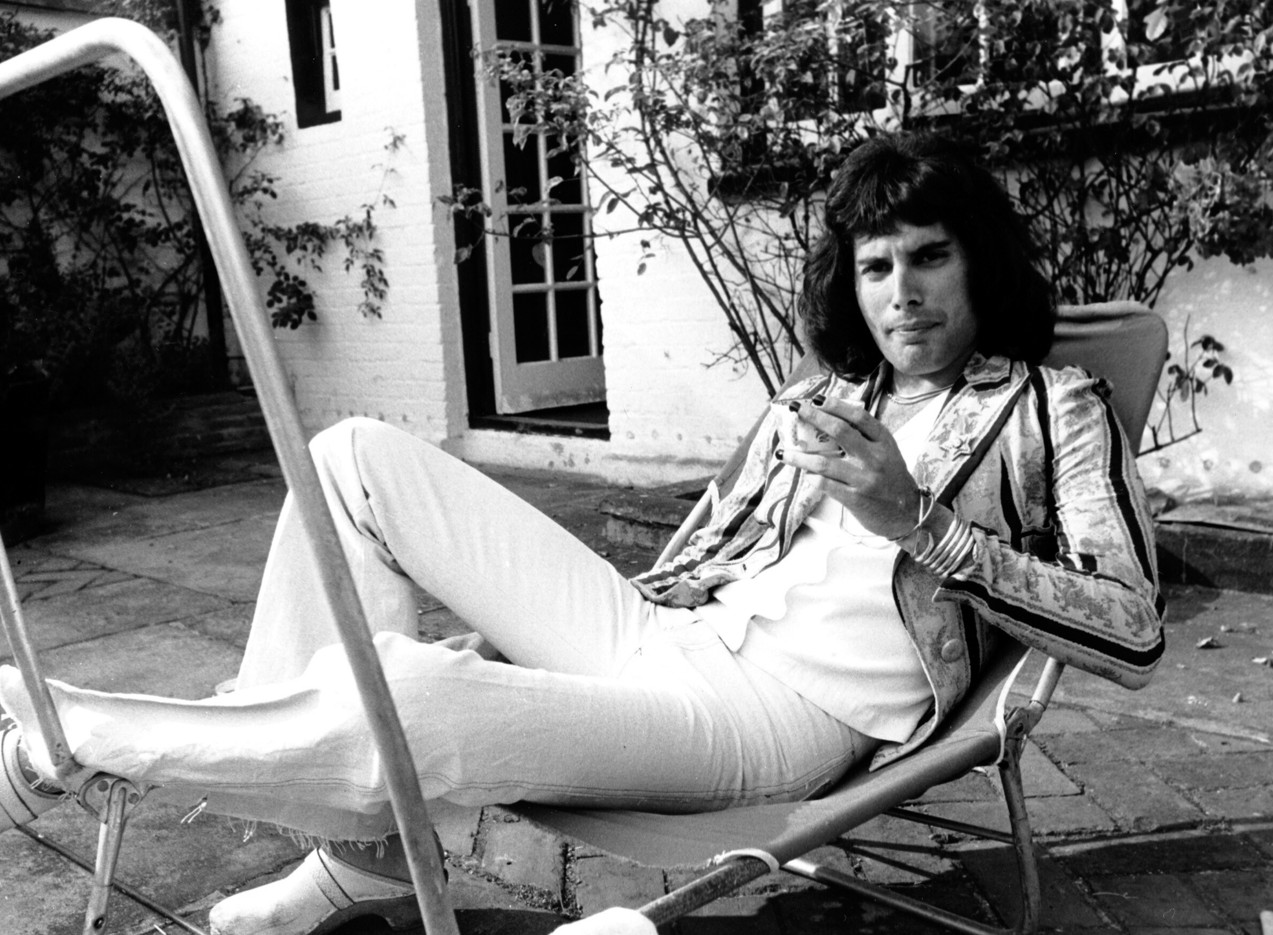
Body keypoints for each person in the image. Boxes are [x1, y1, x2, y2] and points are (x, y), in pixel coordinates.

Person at [0, 131, 1165, 935]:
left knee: (414, 690)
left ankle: (87, 735)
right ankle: (360, 851)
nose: (900, 290)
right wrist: (537, 644)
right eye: (875, 265)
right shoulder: (824, 396)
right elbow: (713, 551)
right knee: (352, 457)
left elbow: (1132, 623)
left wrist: (921, 523)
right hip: (670, 633)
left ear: (977, 260)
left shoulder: (1054, 407)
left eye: (928, 256)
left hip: (778, 719)